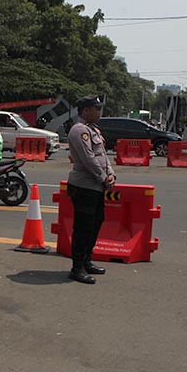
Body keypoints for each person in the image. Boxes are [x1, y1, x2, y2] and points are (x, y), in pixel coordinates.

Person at [66, 95, 115, 284]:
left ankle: (87, 260)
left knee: (96, 222)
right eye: (96, 109)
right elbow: (88, 159)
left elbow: (103, 156)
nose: (99, 112)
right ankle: (76, 268)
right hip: (84, 186)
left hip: (96, 186)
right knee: (83, 228)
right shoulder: (79, 131)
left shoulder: (94, 130)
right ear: (86, 110)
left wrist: (111, 174)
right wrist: (104, 178)